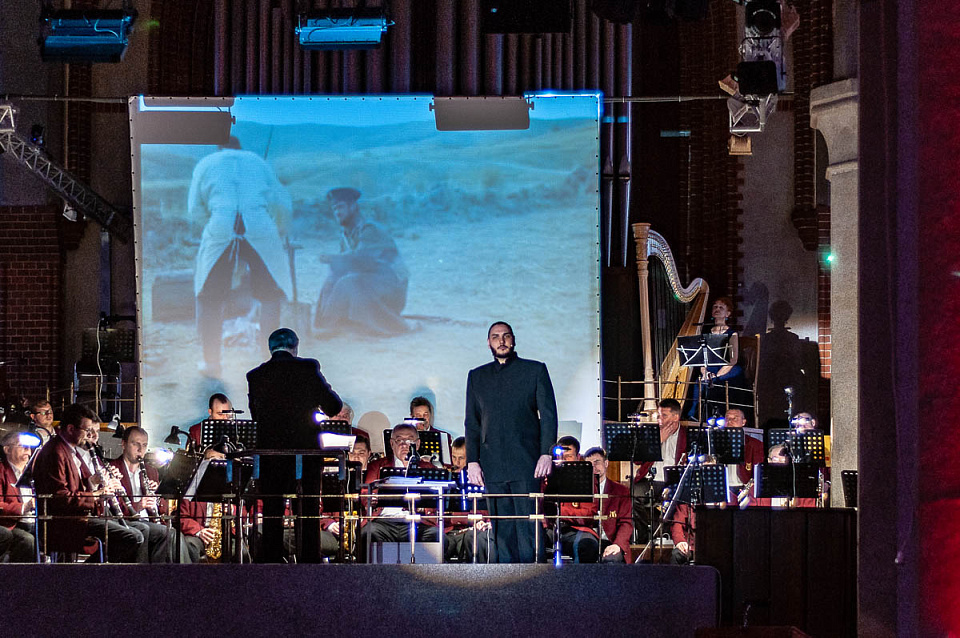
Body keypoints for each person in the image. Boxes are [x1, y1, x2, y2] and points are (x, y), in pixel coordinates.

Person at [189, 136, 293, 377]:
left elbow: (194, 209)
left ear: (220, 147)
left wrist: (215, 229)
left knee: (209, 296)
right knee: (269, 295)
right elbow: (281, 202)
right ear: (239, 147)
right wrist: (277, 232)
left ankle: (211, 363)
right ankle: (272, 362)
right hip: (260, 227)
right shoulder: (258, 162)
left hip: (221, 226)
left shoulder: (206, 163)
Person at [465, 321, 558, 563]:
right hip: (492, 463)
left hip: (527, 461)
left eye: (506, 336)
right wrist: (472, 461)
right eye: (496, 337)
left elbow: (548, 415)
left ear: (513, 340)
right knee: (501, 527)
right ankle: (506, 588)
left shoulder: (534, 370)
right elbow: (472, 423)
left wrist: (546, 453)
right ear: (489, 342)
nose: (501, 341)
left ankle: (533, 583)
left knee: (529, 526)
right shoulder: (477, 376)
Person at [247, 328, 342, 563]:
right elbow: (334, 406)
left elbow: (256, 415)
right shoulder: (308, 369)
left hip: (270, 453)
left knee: (271, 510)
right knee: (307, 509)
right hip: (304, 452)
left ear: (270, 348)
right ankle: (309, 561)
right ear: (295, 347)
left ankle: (270, 562)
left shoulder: (256, 376)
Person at [31, 404, 146, 562]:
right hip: (65, 523)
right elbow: (61, 498)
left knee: (140, 531)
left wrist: (95, 485)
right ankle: (88, 574)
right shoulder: (55, 452)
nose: (90, 436)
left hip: (79, 516)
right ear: (71, 429)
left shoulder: (69, 450)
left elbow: (77, 488)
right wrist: (96, 495)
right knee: (132, 537)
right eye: (87, 431)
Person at [314, 187, 410, 337]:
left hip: (392, 290)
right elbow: (344, 266)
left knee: (348, 281)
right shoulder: (346, 234)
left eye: (340, 207)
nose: (337, 213)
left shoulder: (370, 229)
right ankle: (325, 323)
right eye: (334, 209)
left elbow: (364, 261)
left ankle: (333, 325)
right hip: (372, 285)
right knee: (332, 278)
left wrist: (334, 259)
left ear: (353, 206)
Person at [361, 424, 447, 561]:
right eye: (399, 440)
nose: (404, 445)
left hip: (419, 522)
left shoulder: (428, 468)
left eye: (409, 441)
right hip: (385, 522)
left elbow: (435, 500)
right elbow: (366, 494)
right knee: (368, 533)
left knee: (436, 535)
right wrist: (374, 499)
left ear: (417, 444)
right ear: (392, 444)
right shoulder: (377, 466)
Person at [109, 426, 194, 563]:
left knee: (174, 538)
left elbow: (164, 510)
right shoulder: (113, 468)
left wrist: (157, 498)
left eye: (144, 445)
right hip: (127, 523)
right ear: (123, 444)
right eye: (135, 444)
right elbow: (112, 508)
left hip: (150, 522)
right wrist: (139, 505)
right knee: (170, 534)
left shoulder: (151, 471)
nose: (140, 449)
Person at [687, 297, 746, 421]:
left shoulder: (732, 333)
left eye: (721, 307)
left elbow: (732, 360)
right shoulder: (705, 333)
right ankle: (695, 413)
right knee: (700, 381)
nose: (717, 309)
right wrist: (705, 372)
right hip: (711, 366)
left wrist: (717, 376)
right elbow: (701, 359)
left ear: (728, 314)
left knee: (714, 381)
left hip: (728, 368)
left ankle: (718, 414)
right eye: (715, 307)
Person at [583, 447, 633, 563]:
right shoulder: (582, 490)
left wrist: (617, 545)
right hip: (589, 541)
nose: (594, 468)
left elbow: (626, 523)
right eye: (589, 464)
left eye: (597, 462)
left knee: (612, 559)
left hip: (612, 541)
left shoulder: (621, 490)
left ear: (606, 463)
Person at [0, 431, 36, 562]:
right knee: (27, 540)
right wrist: (23, 508)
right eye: (22, 446)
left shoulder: (35, 471)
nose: (27, 450)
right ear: (7, 449)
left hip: (36, 521)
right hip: (11, 524)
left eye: (29, 446)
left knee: (60, 534)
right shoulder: (1, 471)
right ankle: (19, 580)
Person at [721, 408, 764, 503]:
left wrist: (749, 489)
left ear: (743, 422)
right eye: (727, 419)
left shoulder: (755, 444)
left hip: (744, 490)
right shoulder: (717, 443)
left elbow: (759, 472)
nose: (730, 422)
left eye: (735, 418)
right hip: (723, 489)